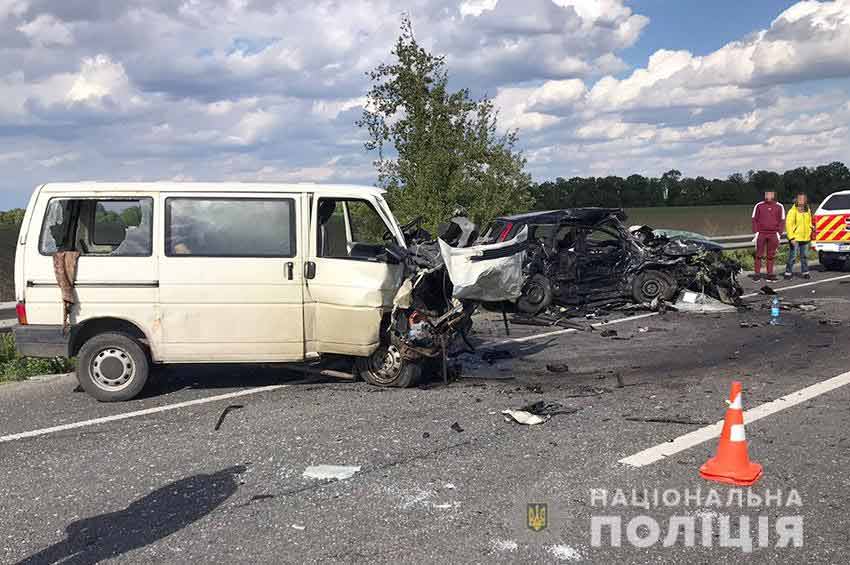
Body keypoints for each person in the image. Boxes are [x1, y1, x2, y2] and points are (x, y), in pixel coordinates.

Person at [751, 191, 785, 281]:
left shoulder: (779, 206)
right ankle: (757, 274)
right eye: (767, 194)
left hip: (773, 234)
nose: (768, 196)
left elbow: (782, 220)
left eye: (770, 194)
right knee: (758, 255)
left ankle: (769, 274)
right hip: (761, 233)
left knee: (771, 255)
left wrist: (779, 233)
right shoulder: (759, 205)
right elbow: (754, 219)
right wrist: (756, 232)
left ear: (774, 195)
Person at [784, 192, 814, 280]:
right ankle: (788, 272)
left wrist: (811, 228)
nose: (801, 201)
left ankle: (805, 272)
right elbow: (788, 225)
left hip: (805, 238)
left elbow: (809, 222)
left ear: (805, 200)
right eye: (800, 199)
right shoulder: (792, 211)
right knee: (793, 257)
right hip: (795, 238)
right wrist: (791, 238)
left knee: (804, 256)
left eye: (803, 199)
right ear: (796, 200)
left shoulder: (807, 210)